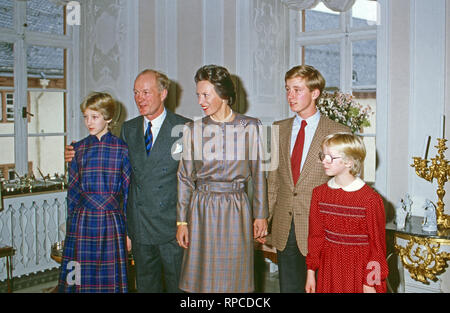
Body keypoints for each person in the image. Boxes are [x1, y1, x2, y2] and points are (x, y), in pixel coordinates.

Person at [65, 69, 191, 292]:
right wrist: (74, 153)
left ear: (163, 93)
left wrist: (186, 223)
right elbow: (112, 169)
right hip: (139, 227)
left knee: (178, 286)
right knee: (145, 286)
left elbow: (193, 180)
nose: (139, 98)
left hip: (171, 227)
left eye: (145, 92)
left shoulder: (185, 127)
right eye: (135, 93)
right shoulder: (128, 129)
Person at [176, 64, 268, 293]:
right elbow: (185, 178)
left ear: (224, 94)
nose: (200, 101)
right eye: (198, 95)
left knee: (234, 279)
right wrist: (181, 221)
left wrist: (261, 215)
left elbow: (258, 174)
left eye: (206, 94)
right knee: (201, 280)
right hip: (201, 210)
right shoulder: (192, 129)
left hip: (235, 208)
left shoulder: (250, 126)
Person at [261, 65, 349, 293]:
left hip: (323, 230)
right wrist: (263, 219)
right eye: (288, 89)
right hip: (285, 226)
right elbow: (273, 181)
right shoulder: (279, 128)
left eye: (297, 90)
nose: (290, 96)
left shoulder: (337, 132)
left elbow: (345, 186)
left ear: (315, 92)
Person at [58, 92, 131, 292]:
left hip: (111, 222)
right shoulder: (77, 149)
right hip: (83, 221)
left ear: (108, 118)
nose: (88, 122)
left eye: (94, 117)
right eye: (85, 117)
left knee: (109, 277)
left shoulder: (122, 149)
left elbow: (127, 194)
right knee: (80, 275)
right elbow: (72, 192)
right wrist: (71, 224)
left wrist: (129, 233)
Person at [305, 132, 388, 293]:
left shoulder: (370, 199)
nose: (324, 161)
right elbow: (315, 237)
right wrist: (310, 272)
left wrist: (370, 282)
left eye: (331, 157)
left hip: (360, 271)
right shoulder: (319, 194)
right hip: (328, 269)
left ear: (349, 161)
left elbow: (377, 247)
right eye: (323, 155)